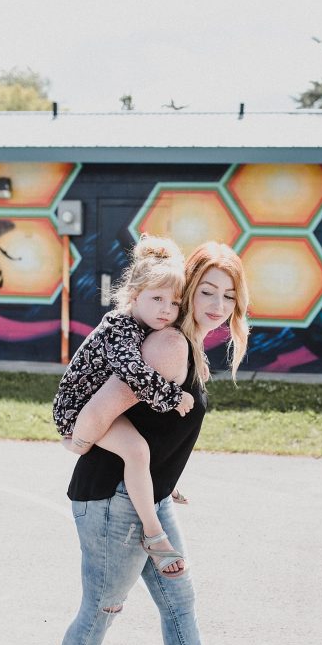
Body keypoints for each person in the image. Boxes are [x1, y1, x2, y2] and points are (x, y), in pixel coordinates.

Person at [52, 241, 272, 645]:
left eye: (230, 297)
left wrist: (166, 479)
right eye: (208, 291)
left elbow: (152, 429)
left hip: (146, 495)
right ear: (187, 289)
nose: (218, 306)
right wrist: (78, 441)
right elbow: (96, 415)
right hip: (113, 499)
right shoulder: (168, 345)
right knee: (104, 605)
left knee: (179, 603)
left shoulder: (184, 343)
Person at [52, 234, 194, 577]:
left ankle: (159, 483)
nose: (166, 309)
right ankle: (153, 532)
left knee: (142, 446)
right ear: (134, 296)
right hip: (77, 408)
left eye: (174, 303)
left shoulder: (144, 326)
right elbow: (132, 372)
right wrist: (175, 397)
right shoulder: (120, 325)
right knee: (137, 452)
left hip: (98, 403)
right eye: (157, 298)